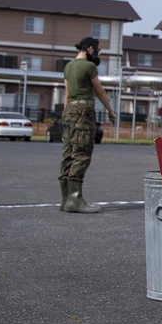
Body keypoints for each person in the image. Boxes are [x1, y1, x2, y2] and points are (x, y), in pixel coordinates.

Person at [59, 37, 117, 213]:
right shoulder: (89, 66)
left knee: (69, 152)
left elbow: (67, 94)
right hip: (84, 111)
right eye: (96, 50)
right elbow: (99, 90)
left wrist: (66, 114)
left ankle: (66, 199)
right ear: (90, 48)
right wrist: (110, 110)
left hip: (69, 111)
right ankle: (75, 199)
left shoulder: (68, 66)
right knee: (82, 152)